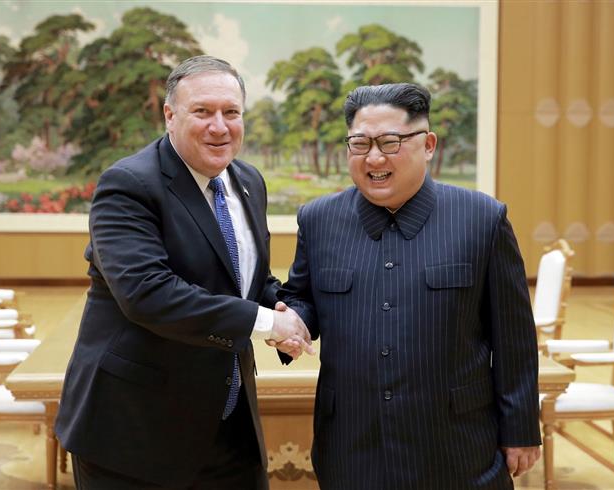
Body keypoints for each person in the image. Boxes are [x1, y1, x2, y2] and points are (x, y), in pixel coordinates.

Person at [56, 55, 312, 489]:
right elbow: (148, 294)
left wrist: (291, 316)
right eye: (203, 111)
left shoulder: (249, 181)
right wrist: (267, 322)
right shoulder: (128, 185)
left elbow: (249, 281)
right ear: (170, 116)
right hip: (135, 433)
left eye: (231, 112)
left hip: (230, 428)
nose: (219, 126)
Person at [277, 83, 541, 489]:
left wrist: (520, 428)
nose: (374, 158)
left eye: (391, 142)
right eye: (360, 144)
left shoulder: (481, 219)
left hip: (457, 443)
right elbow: (303, 297)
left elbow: (514, 335)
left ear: (428, 144)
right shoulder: (318, 220)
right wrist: (293, 321)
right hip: (352, 441)